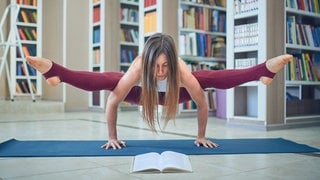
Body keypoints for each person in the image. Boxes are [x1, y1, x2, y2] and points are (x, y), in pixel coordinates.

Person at [26, 33, 293, 150]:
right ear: (147, 61)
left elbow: (201, 103)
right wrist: (112, 137)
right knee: (110, 79)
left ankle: (263, 70)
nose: (162, 72)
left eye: (166, 66)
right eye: (156, 66)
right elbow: (113, 101)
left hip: (179, 95)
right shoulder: (138, 65)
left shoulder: (181, 70)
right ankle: (56, 72)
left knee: (207, 77)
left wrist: (200, 136)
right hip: (143, 95)